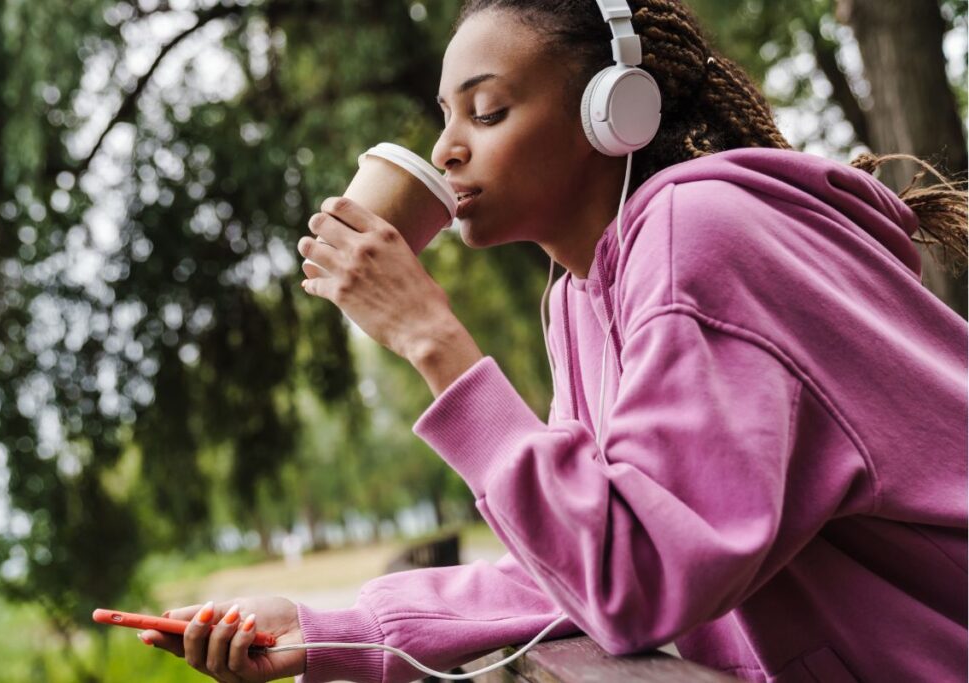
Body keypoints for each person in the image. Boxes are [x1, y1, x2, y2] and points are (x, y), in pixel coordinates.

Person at [140, 1, 969, 681]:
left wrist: (431, 336)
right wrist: (325, 628)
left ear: (614, 113)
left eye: (488, 109)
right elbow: (574, 557)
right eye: (446, 115)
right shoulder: (577, 295)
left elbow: (635, 578)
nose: (446, 149)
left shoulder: (703, 237)